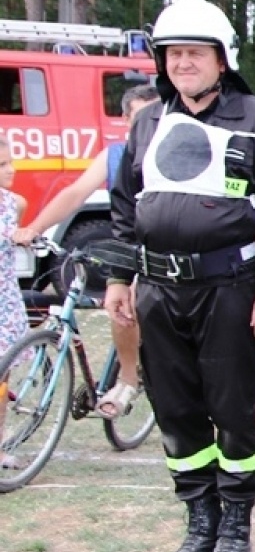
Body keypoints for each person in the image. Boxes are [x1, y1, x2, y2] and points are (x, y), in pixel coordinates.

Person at [103, 0, 255, 552]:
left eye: (195, 52)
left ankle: (236, 527)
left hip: (228, 288)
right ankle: (200, 524)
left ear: (222, 59)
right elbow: (125, 206)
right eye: (173, 54)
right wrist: (118, 276)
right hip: (157, 291)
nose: (183, 63)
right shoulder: (148, 122)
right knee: (177, 410)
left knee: (232, 409)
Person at [16, 84, 158, 417]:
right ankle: (127, 379)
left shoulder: (177, 154)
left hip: (166, 248)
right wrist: (34, 228)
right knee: (121, 305)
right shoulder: (114, 156)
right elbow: (75, 193)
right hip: (128, 247)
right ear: (125, 121)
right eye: (140, 119)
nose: (148, 127)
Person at [0, 139, 30, 468]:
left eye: (10, 162)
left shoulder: (15, 203)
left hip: (4, 301)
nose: (11, 170)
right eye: (2, 165)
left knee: (2, 377)